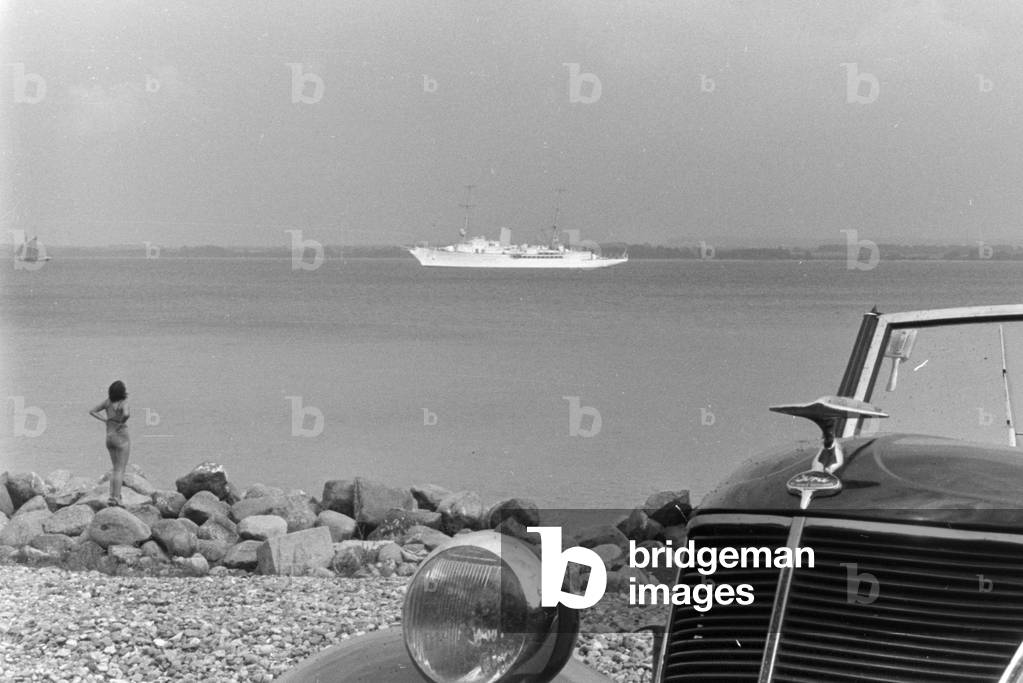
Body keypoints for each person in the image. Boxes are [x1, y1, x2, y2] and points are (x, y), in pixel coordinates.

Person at [89, 380, 131, 507]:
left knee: (115, 468)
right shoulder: (124, 402)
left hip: (109, 437)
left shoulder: (107, 402)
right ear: (122, 392)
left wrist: (105, 420)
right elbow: (126, 414)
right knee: (120, 469)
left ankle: (112, 496)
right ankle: (116, 498)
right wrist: (121, 422)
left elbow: (92, 411)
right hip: (121, 436)